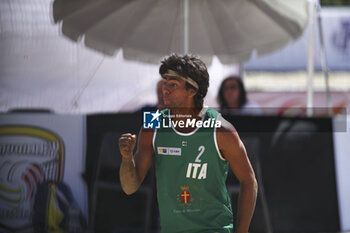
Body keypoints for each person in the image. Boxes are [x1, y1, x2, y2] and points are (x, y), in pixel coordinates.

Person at [119, 54, 257, 233]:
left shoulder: (221, 129)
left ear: (192, 90)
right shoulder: (152, 123)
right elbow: (129, 187)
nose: (165, 89)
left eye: (173, 84)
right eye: (165, 82)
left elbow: (249, 180)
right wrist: (126, 158)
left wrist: (242, 231)